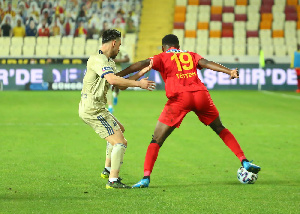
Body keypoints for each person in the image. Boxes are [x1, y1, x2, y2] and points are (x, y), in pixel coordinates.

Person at [118, 34, 261, 188]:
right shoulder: (190, 55)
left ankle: (146, 178)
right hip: (201, 94)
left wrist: (118, 75)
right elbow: (206, 63)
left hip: (179, 98)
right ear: (178, 47)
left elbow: (140, 64)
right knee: (220, 128)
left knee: (157, 139)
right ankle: (244, 160)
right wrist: (230, 72)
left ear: (163, 47)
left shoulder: (162, 56)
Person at [78, 29, 155, 189]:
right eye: (119, 44)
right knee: (120, 142)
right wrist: (139, 84)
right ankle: (113, 180)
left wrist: (141, 73)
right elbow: (113, 79)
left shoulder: (108, 62)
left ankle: (107, 169)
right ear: (113, 43)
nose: (119, 48)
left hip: (97, 107)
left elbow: (119, 84)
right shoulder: (98, 59)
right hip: (93, 109)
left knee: (120, 129)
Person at [106, 46, 130, 113]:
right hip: (107, 69)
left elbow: (127, 59)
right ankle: (110, 106)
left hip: (117, 70)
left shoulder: (120, 48)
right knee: (107, 87)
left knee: (117, 86)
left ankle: (115, 94)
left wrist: (116, 60)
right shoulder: (103, 47)